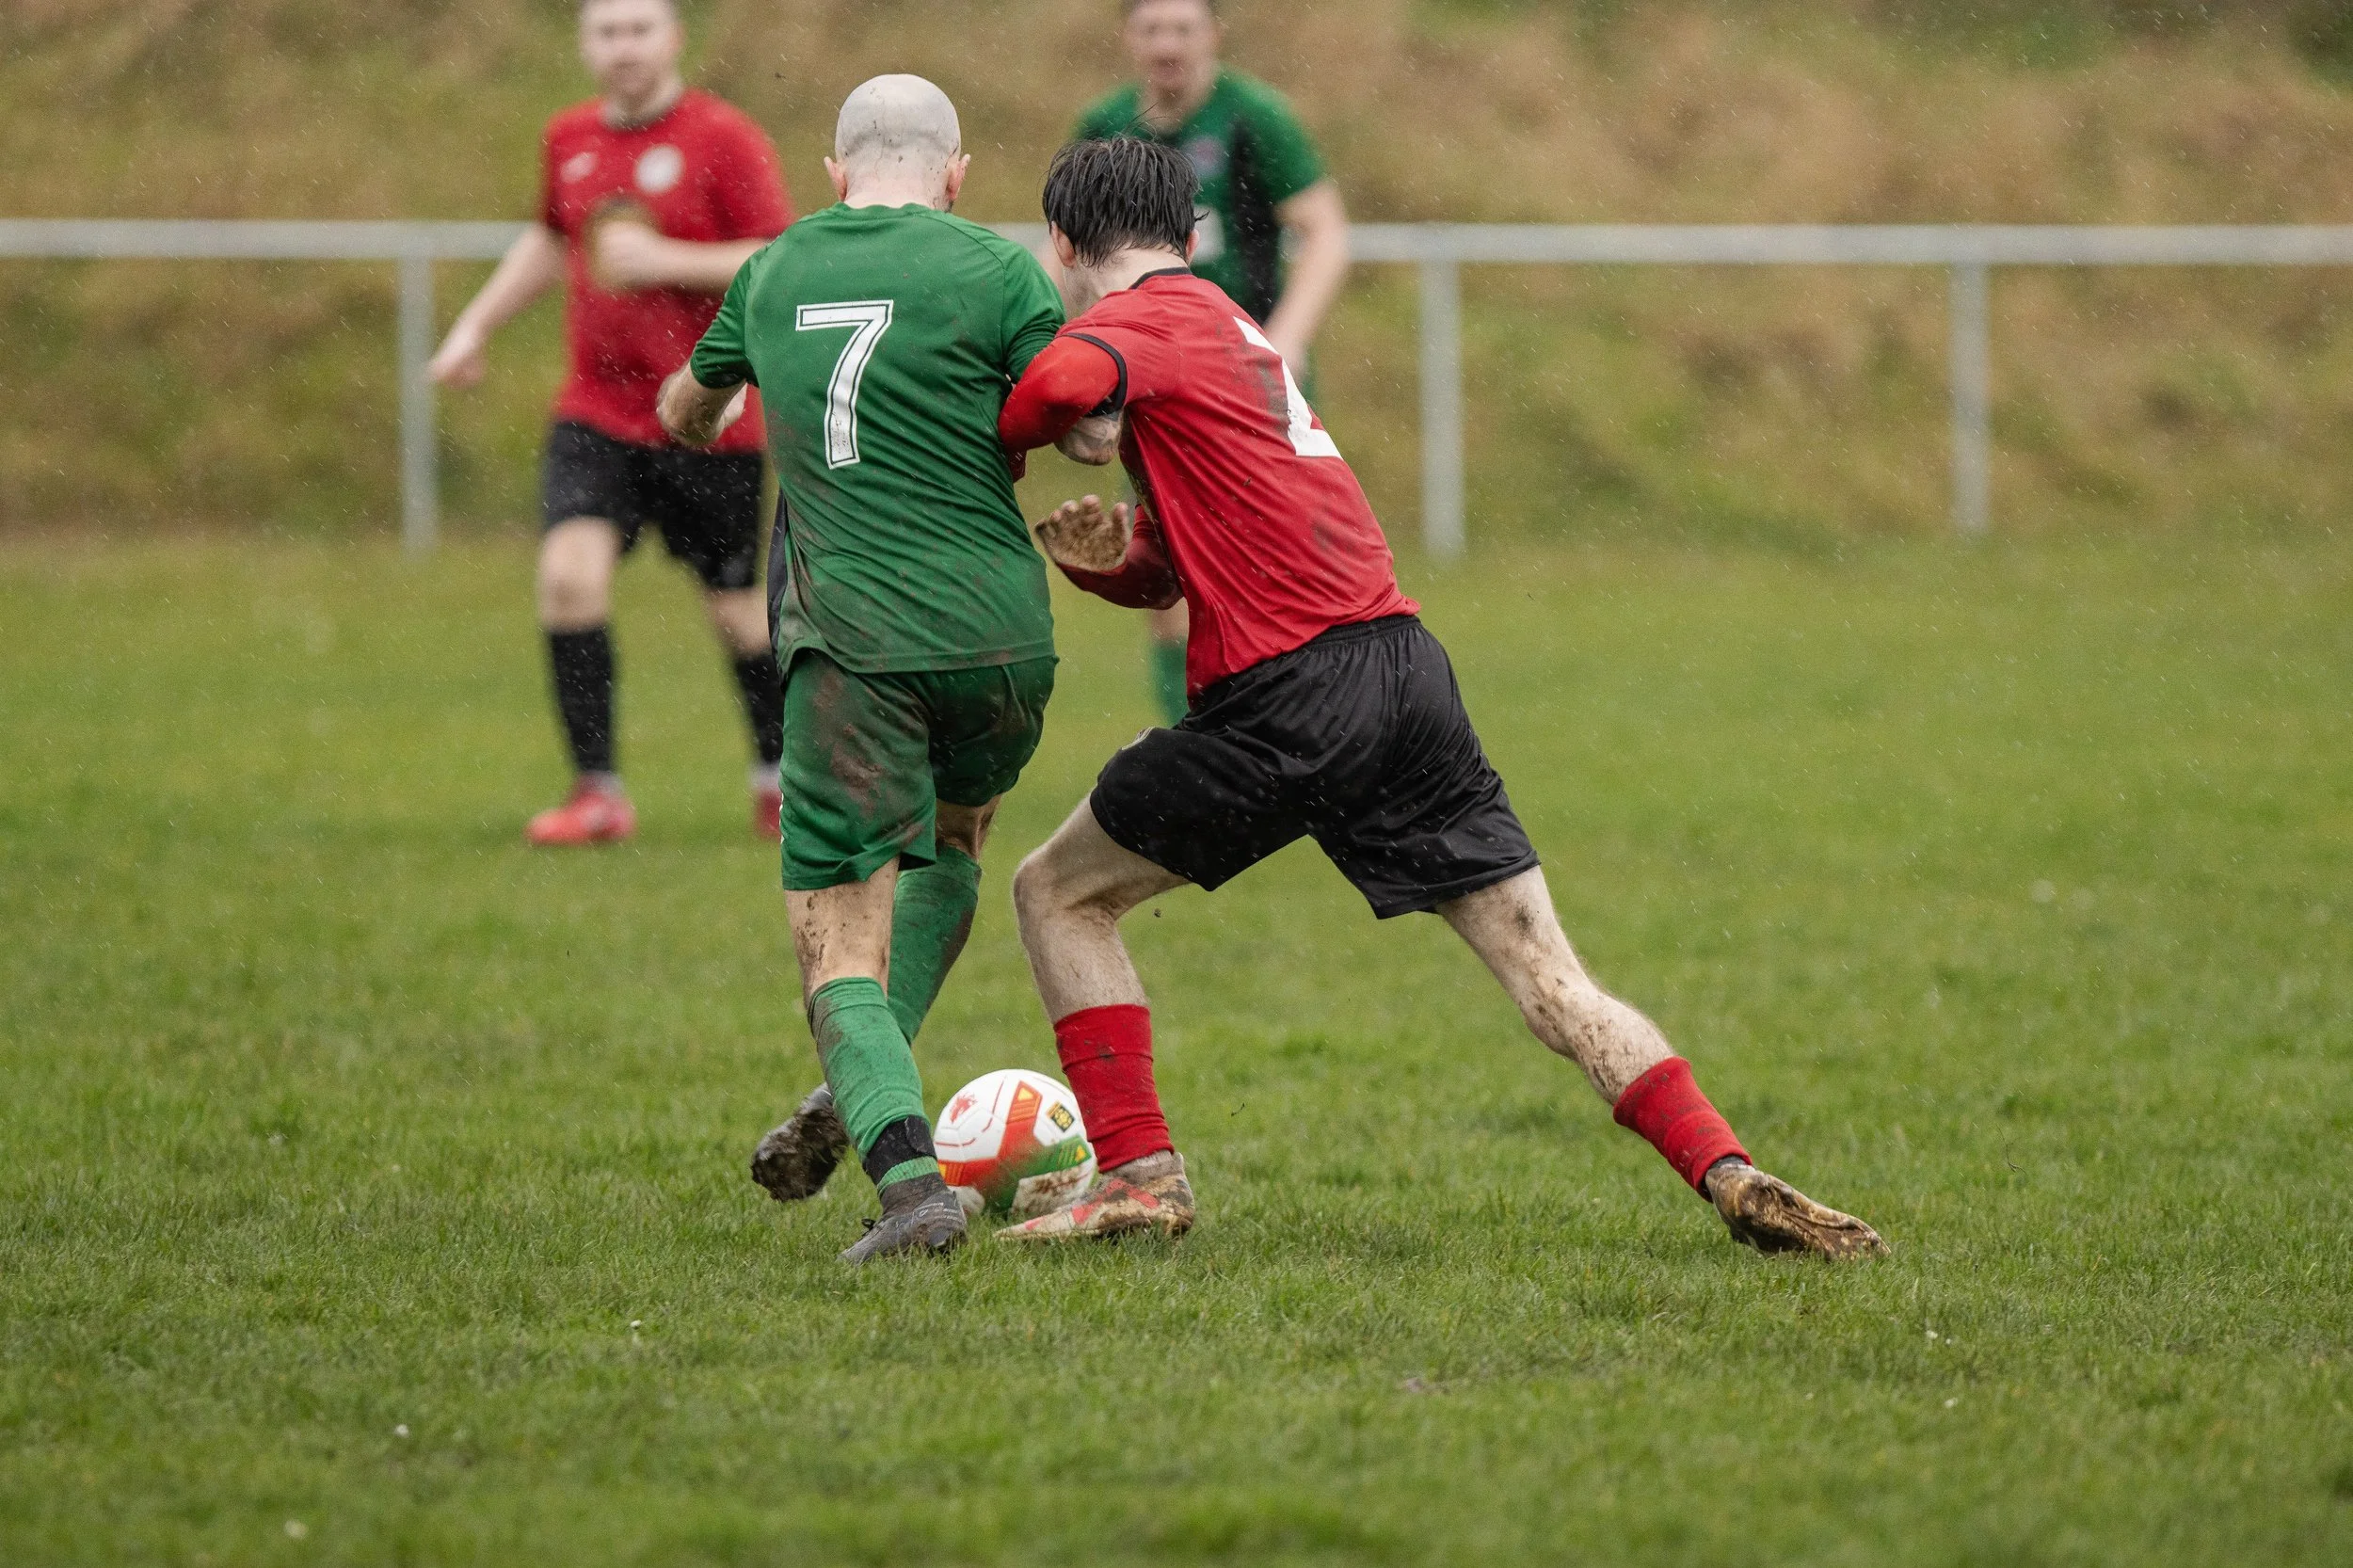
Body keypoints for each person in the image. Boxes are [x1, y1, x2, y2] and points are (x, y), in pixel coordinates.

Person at [990, 138, 1887, 1261]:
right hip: (1404, 672)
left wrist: (1002, 422)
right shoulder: (1230, 326)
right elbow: (1187, 562)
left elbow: (1065, 387)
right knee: (1550, 981)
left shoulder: (1139, 324)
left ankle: (1137, 1176)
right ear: (1191, 234)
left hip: (1290, 694)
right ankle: (1728, 1169)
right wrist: (1108, 562)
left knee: (1054, 893)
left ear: (1064, 245)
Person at [658, 76, 1065, 1264]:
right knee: (951, 843)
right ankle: (869, 1078)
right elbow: (1079, 420)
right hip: (1002, 637)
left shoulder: (777, 267)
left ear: (833, 173)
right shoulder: (998, 272)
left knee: (835, 933)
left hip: (855, 645)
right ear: (956, 176)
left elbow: (690, 411)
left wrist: (712, 398)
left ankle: (909, 1185)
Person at [428, 0, 793, 847]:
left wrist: (665, 260)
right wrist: (474, 327)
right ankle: (598, 792)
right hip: (596, 411)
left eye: (640, 29)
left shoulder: (724, 137)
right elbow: (552, 239)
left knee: (739, 611)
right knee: (568, 577)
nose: (624, 46)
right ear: (586, 45)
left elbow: (776, 256)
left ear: (673, 39)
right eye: (607, 31)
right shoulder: (569, 137)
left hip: (709, 415)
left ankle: (780, 779)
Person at [1071, 0, 1350, 728]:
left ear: (1213, 36)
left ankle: (1301, 720)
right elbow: (1066, 251)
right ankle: (1197, 734)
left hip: (1246, 377)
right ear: (1129, 38)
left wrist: (1285, 334)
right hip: (1152, 377)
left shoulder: (1254, 118)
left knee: (1270, 559)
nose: (1168, 44)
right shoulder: (1105, 127)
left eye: (1183, 28)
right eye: (1153, 28)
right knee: (1165, 566)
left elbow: (1325, 232)